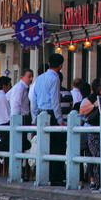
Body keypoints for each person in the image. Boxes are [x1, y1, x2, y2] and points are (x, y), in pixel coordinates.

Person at [33, 54, 66, 185]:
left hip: (41, 113)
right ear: (60, 65)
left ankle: (42, 175)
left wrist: (35, 116)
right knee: (58, 147)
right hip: (51, 114)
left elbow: (33, 99)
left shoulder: (39, 78)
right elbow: (55, 100)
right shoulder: (55, 78)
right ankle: (56, 177)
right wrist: (60, 120)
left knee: (44, 147)